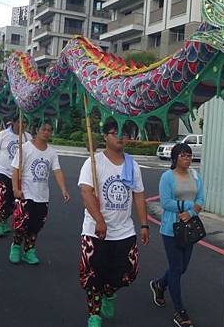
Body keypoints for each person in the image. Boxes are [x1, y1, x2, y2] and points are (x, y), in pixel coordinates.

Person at [78, 118, 149, 327]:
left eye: (124, 133)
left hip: (124, 231)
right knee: (94, 275)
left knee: (128, 271)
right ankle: (94, 314)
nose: (120, 136)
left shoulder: (132, 165)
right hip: (95, 231)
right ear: (105, 136)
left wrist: (144, 224)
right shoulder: (93, 162)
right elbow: (86, 192)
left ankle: (110, 292)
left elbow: (138, 195)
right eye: (115, 132)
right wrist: (99, 220)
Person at [150, 143, 205, 326]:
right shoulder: (167, 177)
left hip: (189, 228)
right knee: (175, 268)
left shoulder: (195, 176)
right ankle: (179, 311)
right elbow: (166, 203)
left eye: (189, 155)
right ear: (175, 158)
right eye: (183, 155)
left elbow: (201, 199)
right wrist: (189, 206)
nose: (187, 158)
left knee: (182, 268)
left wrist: (192, 212)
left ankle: (159, 284)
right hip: (171, 229)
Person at [10, 120, 69, 264]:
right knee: (21, 223)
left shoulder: (52, 152)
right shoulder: (25, 148)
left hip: (42, 196)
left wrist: (63, 189)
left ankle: (29, 251)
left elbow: (57, 171)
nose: (47, 132)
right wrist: (15, 189)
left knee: (36, 225)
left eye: (49, 130)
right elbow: (16, 170)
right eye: (44, 129)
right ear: (37, 130)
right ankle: (16, 247)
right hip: (25, 193)